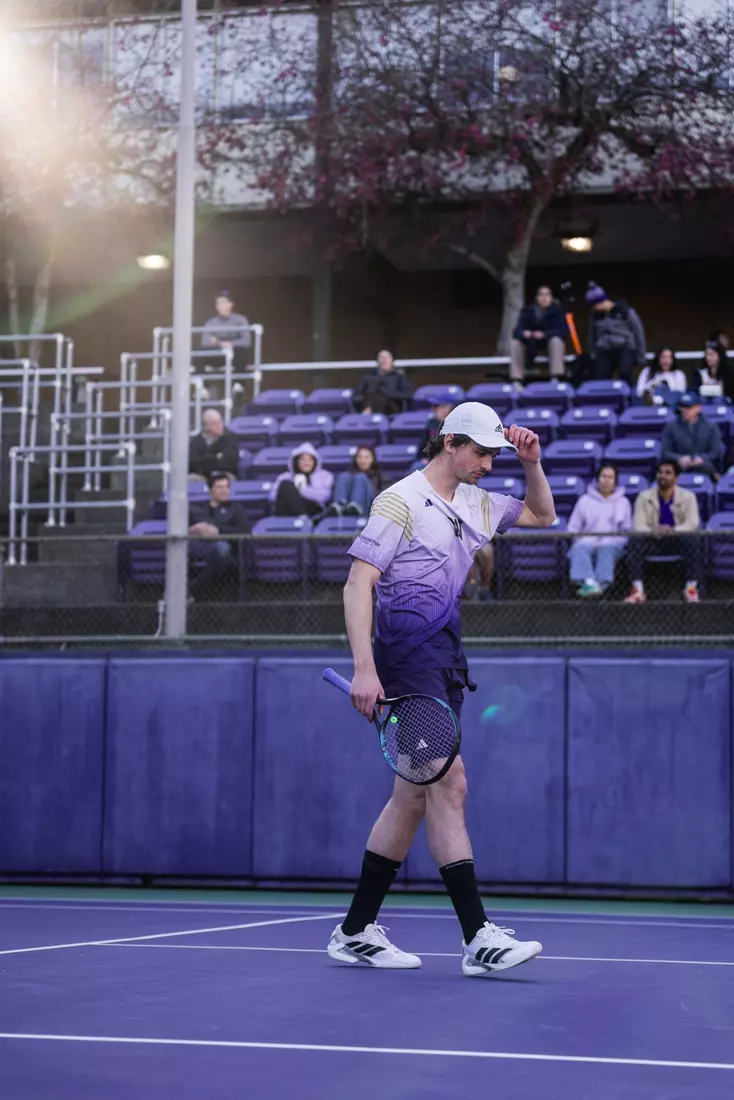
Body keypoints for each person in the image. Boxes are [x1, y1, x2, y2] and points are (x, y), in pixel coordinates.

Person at [327, 401, 555, 974]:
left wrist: (531, 463)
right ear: (448, 442)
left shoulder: (478, 501)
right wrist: (363, 669)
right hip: (405, 659)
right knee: (449, 784)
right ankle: (478, 937)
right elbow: (358, 584)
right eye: (479, 452)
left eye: (492, 454)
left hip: (447, 658)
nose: (486, 463)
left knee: (411, 796)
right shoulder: (399, 501)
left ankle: (355, 930)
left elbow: (542, 516)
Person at [624, 460, 702, 604]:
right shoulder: (644, 497)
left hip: (677, 539)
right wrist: (653, 530)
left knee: (694, 540)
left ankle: (691, 588)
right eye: (660, 472)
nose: (663, 476)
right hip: (653, 540)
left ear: (676, 478)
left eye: (668, 473)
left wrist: (672, 530)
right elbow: (638, 524)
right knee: (634, 541)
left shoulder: (689, 497)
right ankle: (638, 590)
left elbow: (692, 523)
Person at [567, 465, 631, 597]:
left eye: (610, 477)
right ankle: (589, 582)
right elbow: (573, 528)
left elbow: (626, 531)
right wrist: (586, 540)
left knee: (606, 547)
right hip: (587, 540)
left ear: (615, 481)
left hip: (613, 543)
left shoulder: (623, 502)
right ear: (597, 479)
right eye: (603, 476)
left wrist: (611, 541)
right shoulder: (584, 501)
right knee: (580, 547)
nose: (606, 480)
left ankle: (602, 584)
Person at [188, 473, 249, 597]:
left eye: (226, 487)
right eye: (220, 487)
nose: (224, 491)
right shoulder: (196, 508)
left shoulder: (236, 509)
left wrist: (218, 531)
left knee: (222, 549)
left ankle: (193, 589)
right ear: (210, 490)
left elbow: (244, 530)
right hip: (198, 545)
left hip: (227, 547)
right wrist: (192, 530)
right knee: (178, 548)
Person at [586, 282, 646, 382]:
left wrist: (641, 355)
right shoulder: (594, 316)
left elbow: (638, 332)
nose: (593, 308)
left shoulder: (625, 311)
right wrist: (593, 353)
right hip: (604, 348)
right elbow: (592, 335)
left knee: (624, 372)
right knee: (600, 374)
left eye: (594, 305)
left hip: (624, 346)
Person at [510, 285, 569, 383]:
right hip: (530, 343)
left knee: (556, 341)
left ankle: (556, 377)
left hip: (548, 342)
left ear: (551, 297)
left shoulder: (557, 311)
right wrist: (525, 333)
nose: (544, 298)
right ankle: (516, 380)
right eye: (541, 295)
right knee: (515, 343)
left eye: (547, 295)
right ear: (536, 297)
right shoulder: (527, 311)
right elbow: (516, 331)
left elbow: (563, 331)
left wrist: (544, 334)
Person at [660, 392, 721, 482]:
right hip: (680, 467)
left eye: (689, 407)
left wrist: (701, 458)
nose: (685, 410)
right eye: (682, 407)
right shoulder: (671, 427)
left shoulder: (711, 426)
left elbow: (715, 451)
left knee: (707, 467)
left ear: (698, 408)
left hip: (703, 467)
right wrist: (679, 458)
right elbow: (665, 451)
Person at [269, 442, 334, 518]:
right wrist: (293, 491)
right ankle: (301, 517)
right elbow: (273, 496)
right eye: (302, 459)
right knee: (286, 485)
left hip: (313, 510)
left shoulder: (324, 475)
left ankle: (304, 519)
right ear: (296, 462)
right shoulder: (285, 476)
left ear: (315, 462)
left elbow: (323, 496)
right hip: (289, 511)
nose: (306, 463)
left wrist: (301, 489)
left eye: (310, 460)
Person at [328, 446, 386, 517]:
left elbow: (386, 493)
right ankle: (339, 507)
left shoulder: (380, 475)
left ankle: (356, 507)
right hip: (346, 507)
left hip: (370, 506)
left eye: (366, 457)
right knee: (343, 475)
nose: (362, 460)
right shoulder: (348, 475)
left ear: (373, 459)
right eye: (359, 457)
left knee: (360, 477)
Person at [201, 290, 251, 371]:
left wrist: (231, 344)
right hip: (218, 354)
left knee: (243, 352)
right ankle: (203, 383)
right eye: (217, 303)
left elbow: (246, 341)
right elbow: (205, 342)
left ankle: (238, 383)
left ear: (230, 304)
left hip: (235, 353)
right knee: (196, 353)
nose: (219, 306)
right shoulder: (210, 322)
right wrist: (220, 344)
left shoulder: (241, 319)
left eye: (222, 303)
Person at [353, 350, 413, 416]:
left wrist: (386, 392)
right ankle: (368, 411)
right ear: (377, 361)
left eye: (387, 357)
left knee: (379, 395)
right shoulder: (368, 376)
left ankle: (368, 413)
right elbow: (356, 395)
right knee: (373, 390)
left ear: (392, 361)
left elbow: (408, 394)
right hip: (368, 404)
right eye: (381, 357)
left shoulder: (400, 377)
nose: (384, 360)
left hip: (391, 408)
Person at [188, 409, 240, 481]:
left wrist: (206, 460)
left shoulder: (229, 438)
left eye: (220, 421)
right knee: (191, 479)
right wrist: (217, 457)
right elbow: (193, 463)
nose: (219, 426)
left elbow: (230, 462)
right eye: (214, 423)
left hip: (223, 475)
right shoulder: (196, 441)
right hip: (202, 476)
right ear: (206, 427)